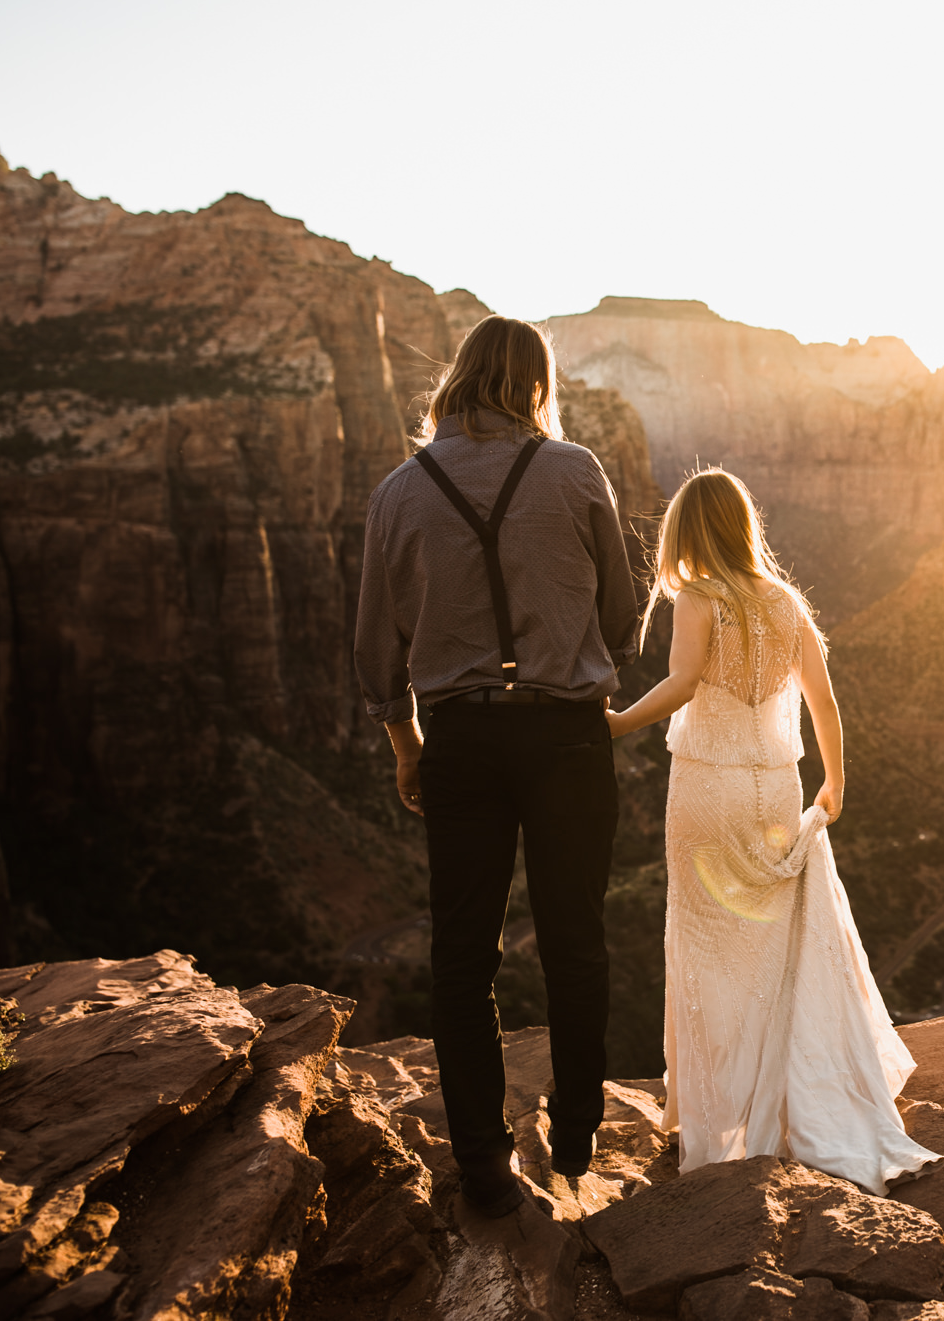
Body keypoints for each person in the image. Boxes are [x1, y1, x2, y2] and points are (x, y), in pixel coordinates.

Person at [355, 316, 642, 1217]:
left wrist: (408, 748)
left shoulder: (399, 491)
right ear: (533, 383)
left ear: (460, 379)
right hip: (566, 734)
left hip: (460, 743)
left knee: (462, 953)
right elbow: (626, 619)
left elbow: (375, 651)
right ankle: (577, 1133)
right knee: (574, 937)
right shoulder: (577, 470)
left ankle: (481, 1162)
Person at [606, 469, 942, 1195]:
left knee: (703, 949)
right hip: (776, 789)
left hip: (707, 788)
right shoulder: (787, 603)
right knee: (771, 950)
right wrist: (836, 783)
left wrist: (618, 722)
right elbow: (822, 698)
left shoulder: (699, 599)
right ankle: (781, 1100)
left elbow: (683, 683)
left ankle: (710, 1110)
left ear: (689, 533)